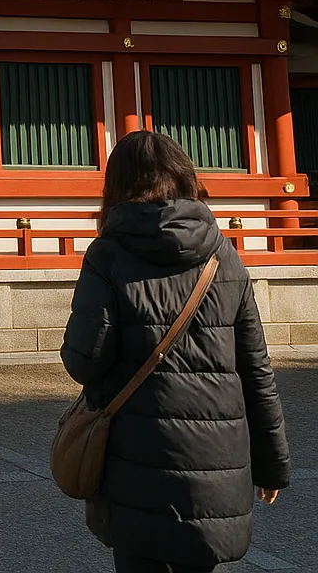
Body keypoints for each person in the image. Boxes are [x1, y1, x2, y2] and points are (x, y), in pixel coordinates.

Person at [61, 130, 288, 573]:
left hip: (137, 461)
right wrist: (272, 464)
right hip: (215, 462)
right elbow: (255, 368)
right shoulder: (225, 256)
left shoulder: (107, 255)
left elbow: (85, 360)